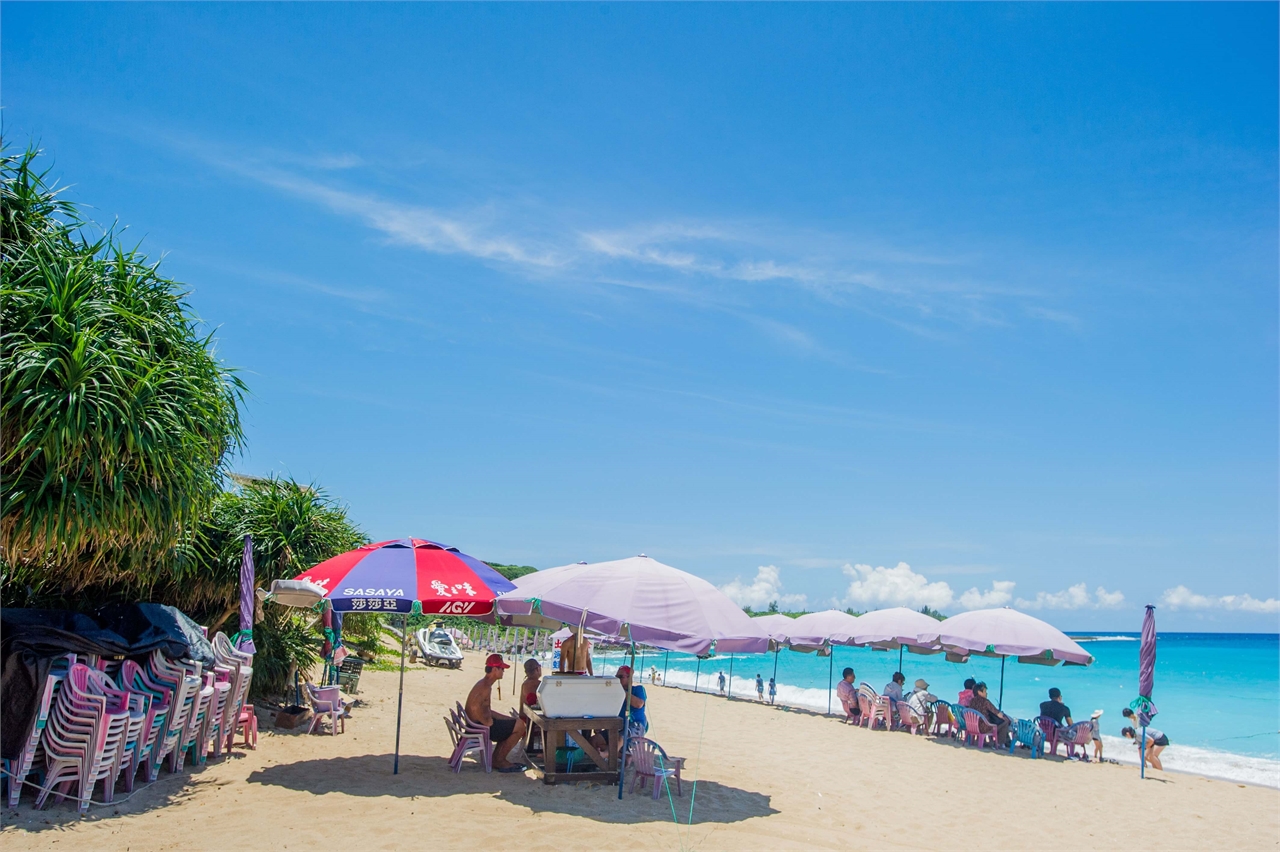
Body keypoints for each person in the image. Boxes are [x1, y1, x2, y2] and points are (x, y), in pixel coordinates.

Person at [465, 653, 527, 772]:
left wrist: (505, 718)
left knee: (515, 723)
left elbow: (486, 709)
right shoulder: (485, 686)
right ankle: (499, 760)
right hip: (479, 725)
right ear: (494, 669)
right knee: (520, 727)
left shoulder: (485, 684)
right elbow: (474, 707)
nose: (503, 671)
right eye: (502, 669)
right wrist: (486, 722)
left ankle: (497, 758)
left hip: (476, 723)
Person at [967, 681, 1012, 747]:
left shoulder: (972, 701)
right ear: (979, 692)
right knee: (1005, 722)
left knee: (995, 722)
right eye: (985, 691)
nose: (986, 693)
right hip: (983, 728)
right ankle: (999, 743)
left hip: (972, 727)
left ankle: (993, 741)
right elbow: (997, 713)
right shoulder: (985, 702)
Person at [617, 665, 648, 738]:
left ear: (629, 678)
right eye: (616, 677)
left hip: (635, 725)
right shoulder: (616, 693)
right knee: (595, 740)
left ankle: (608, 750)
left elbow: (639, 704)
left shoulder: (638, 689)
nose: (617, 679)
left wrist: (622, 692)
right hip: (618, 725)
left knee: (619, 738)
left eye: (620, 677)